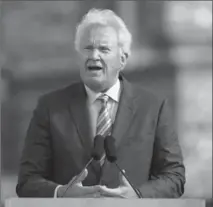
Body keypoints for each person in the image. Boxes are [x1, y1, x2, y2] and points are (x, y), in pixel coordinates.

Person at [16, 8, 185, 198]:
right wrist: (62, 193)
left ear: (123, 59)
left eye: (104, 49)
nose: (94, 56)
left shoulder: (153, 107)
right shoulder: (51, 107)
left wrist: (139, 195)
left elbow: (175, 177)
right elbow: (27, 181)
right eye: (87, 48)